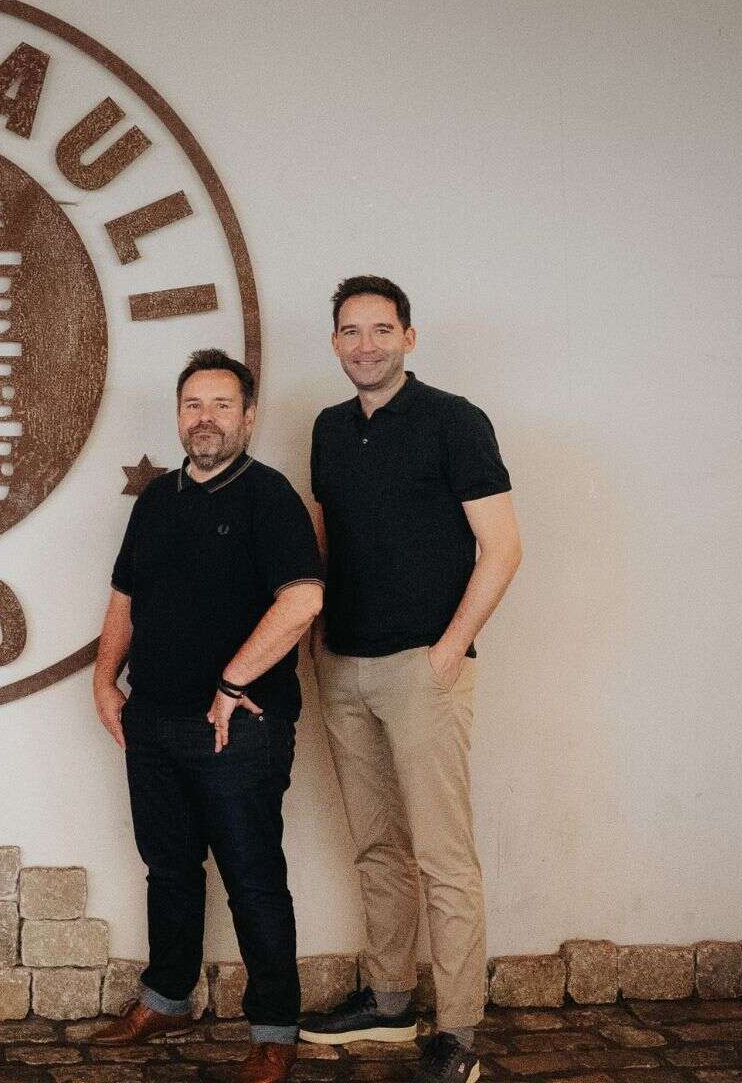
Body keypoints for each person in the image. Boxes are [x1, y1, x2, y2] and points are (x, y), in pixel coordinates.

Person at [299, 276, 522, 1083]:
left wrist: (449, 650)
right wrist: (318, 641)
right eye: (351, 331)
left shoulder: (454, 422)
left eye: (381, 329)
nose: (366, 345)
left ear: (409, 337)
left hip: (422, 668)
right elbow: (322, 544)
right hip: (343, 665)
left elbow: (502, 546)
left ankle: (458, 1030)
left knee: (443, 856)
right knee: (374, 847)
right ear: (334, 343)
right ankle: (390, 999)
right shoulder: (327, 429)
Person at [90, 348, 325, 1083]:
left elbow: (304, 599)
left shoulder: (270, 497)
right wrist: (104, 680)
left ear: (249, 417)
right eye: (194, 404)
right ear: (179, 415)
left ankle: (274, 1029)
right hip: (152, 722)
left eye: (222, 405)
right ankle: (167, 998)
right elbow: (125, 595)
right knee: (168, 867)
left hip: (239, 726)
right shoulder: (159, 500)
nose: (206, 418)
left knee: (253, 876)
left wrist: (230, 683)